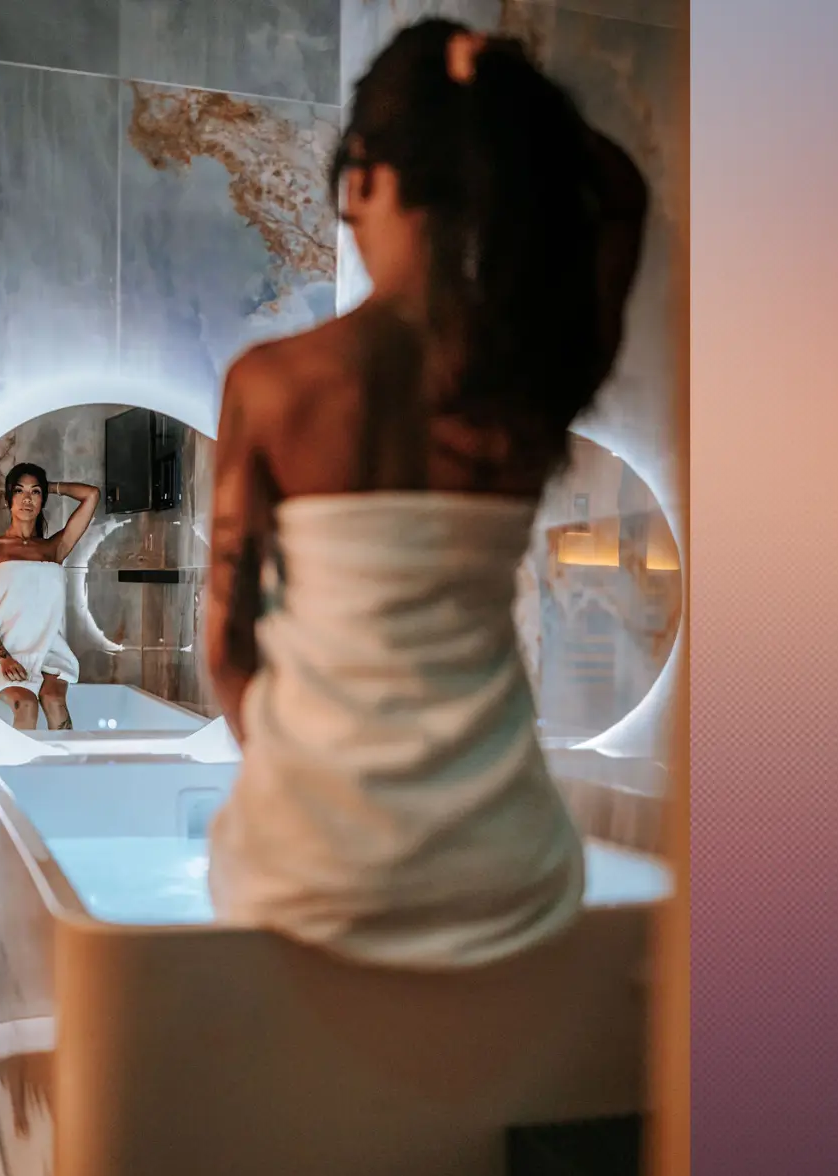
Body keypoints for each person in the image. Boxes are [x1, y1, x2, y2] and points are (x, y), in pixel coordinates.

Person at [203, 21, 650, 969]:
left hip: (307, 872)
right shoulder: (525, 387)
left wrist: (302, 805)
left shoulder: (275, 385)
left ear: (364, 175)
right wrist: (498, 115)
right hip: (508, 874)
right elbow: (621, 198)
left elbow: (226, 647)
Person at [0, 463, 100, 730]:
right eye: (19, 491)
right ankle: (22, 759)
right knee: (27, 704)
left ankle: (65, 758)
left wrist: (50, 486)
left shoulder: (54, 548)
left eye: (35, 492)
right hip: (4, 652)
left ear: (43, 500)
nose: (27, 499)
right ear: (8, 499)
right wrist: (4, 658)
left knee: (54, 701)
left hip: (49, 649)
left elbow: (91, 495)